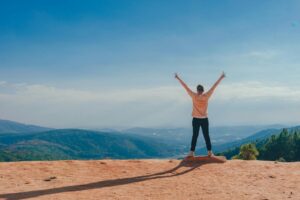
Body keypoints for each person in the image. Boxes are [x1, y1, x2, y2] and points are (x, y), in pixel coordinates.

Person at [175, 72, 225, 157]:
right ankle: (209, 152)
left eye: (198, 90)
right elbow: (214, 86)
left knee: (195, 135)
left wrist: (178, 78)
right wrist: (221, 77)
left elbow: (185, 87)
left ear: (197, 90)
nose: (199, 92)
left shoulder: (194, 96)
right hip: (204, 119)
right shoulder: (206, 96)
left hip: (196, 119)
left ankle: (192, 152)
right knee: (206, 136)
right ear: (203, 90)